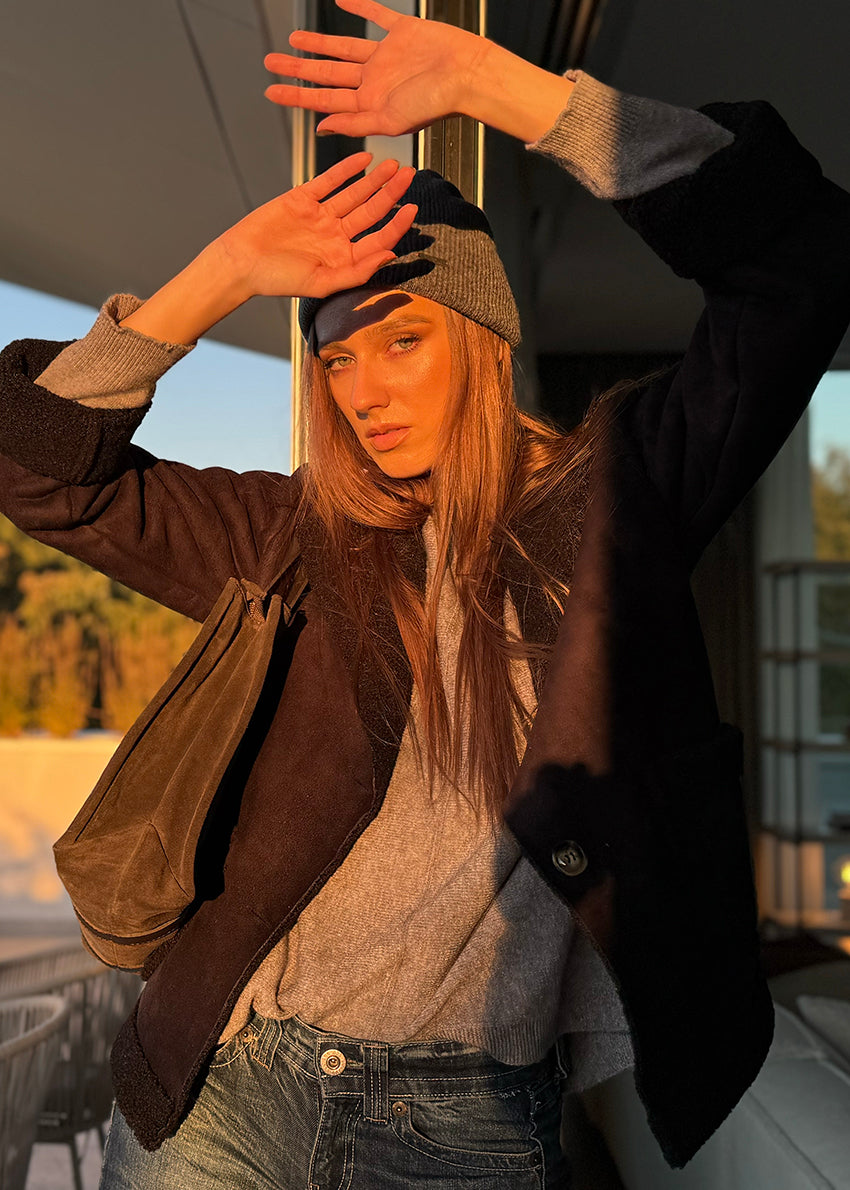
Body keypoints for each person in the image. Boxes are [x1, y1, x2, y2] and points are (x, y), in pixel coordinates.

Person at [1, 0, 848, 1184]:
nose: (362, 389)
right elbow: (41, 475)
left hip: (465, 1121)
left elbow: (799, 257)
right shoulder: (293, 529)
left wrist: (502, 88)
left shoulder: (614, 500)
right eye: (338, 355)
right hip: (234, 1084)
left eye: (401, 340)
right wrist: (226, 271)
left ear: (483, 339)